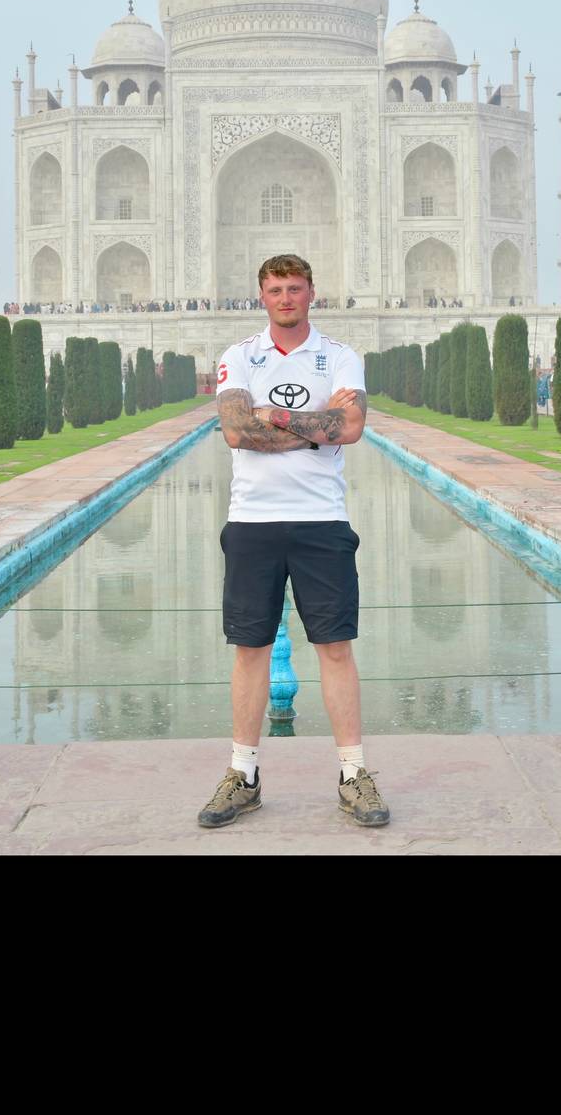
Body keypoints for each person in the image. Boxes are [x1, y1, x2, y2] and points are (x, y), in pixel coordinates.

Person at [198, 252, 390, 832]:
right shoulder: (239, 356)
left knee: (334, 646)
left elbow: (350, 428)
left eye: (296, 288)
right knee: (250, 647)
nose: (286, 297)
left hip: (320, 520)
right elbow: (236, 431)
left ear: (313, 294)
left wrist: (274, 420)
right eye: (276, 288)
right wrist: (312, 426)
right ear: (262, 296)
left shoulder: (339, 356)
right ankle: (243, 775)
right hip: (252, 521)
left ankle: (353, 774)